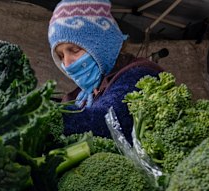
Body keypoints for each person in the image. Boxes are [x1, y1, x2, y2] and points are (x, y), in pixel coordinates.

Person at [48, 0, 163, 141]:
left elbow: (107, 121)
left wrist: (38, 114)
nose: (66, 63)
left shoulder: (141, 74)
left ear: (102, 46)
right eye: (60, 56)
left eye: (75, 50)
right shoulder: (80, 95)